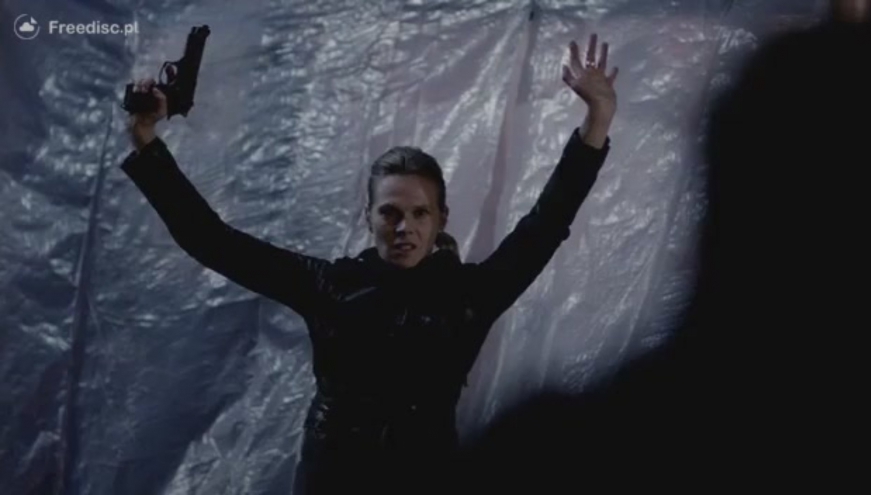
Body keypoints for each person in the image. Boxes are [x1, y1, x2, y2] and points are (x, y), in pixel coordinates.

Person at [121, 33, 618, 494]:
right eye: (390, 213)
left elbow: (545, 225)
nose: (404, 227)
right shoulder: (329, 285)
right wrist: (145, 137)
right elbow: (212, 241)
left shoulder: (470, 295)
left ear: (441, 219)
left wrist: (597, 119)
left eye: (420, 214)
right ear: (369, 217)